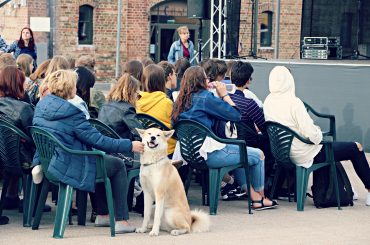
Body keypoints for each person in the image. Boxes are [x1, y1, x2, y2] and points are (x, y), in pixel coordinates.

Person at [33, 69, 144, 233]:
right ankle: (121, 220)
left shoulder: (42, 106)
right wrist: (129, 145)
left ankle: (103, 214)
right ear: (68, 88)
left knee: (101, 159)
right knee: (117, 164)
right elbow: (99, 141)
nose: (76, 89)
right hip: (70, 163)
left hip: (51, 162)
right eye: (74, 86)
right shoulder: (72, 113)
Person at [172, 66, 278, 210]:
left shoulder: (180, 100)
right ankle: (260, 199)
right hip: (209, 154)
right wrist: (224, 95)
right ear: (202, 81)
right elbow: (236, 115)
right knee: (259, 155)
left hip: (189, 155)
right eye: (206, 78)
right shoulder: (205, 97)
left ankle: (254, 196)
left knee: (241, 156)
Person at [264, 66, 370, 206]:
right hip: (305, 154)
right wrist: (318, 132)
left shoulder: (268, 101)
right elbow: (314, 136)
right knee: (356, 147)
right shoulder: (294, 103)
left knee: (333, 150)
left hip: (282, 154)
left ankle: (345, 189)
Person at [0, 66, 38, 218]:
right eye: (23, 82)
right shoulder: (23, 108)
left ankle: (11, 197)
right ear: (17, 84)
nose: (26, 85)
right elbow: (35, 135)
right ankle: (33, 203)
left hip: (2, 158)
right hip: (20, 161)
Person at [229, 61, 275, 186]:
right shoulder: (249, 103)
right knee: (270, 143)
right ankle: (265, 185)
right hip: (248, 144)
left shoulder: (225, 98)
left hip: (229, 141)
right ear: (248, 80)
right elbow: (265, 128)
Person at [137, 64, 176, 156]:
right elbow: (175, 126)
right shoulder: (167, 103)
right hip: (167, 149)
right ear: (162, 82)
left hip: (146, 147)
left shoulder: (137, 102)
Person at [99, 73, 142, 142]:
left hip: (104, 145)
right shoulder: (127, 109)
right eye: (137, 94)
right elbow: (140, 134)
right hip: (122, 148)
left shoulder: (105, 105)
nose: (137, 97)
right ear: (131, 93)